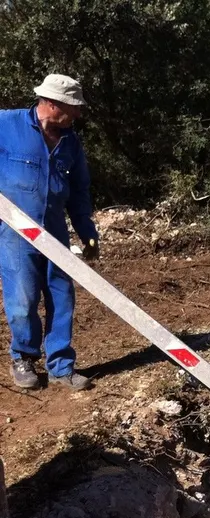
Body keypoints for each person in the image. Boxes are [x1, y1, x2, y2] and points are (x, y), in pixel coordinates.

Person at [0, 74, 99, 392]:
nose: (78, 114)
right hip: (16, 231)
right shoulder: (7, 124)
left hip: (55, 231)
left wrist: (87, 232)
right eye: (74, 107)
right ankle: (23, 358)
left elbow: (79, 191)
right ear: (54, 104)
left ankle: (61, 366)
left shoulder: (71, 142)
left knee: (61, 294)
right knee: (23, 297)